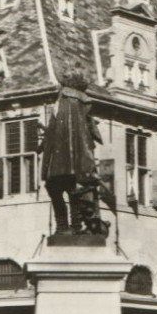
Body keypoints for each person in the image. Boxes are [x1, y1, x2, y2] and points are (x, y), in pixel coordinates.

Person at [40, 71, 107, 234]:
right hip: (73, 158)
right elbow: (85, 128)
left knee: (57, 188)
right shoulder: (78, 101)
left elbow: (59, 126)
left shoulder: (65, 98)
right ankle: (74, 225)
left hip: (60, 159)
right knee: (69, 189)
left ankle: (65, 226)